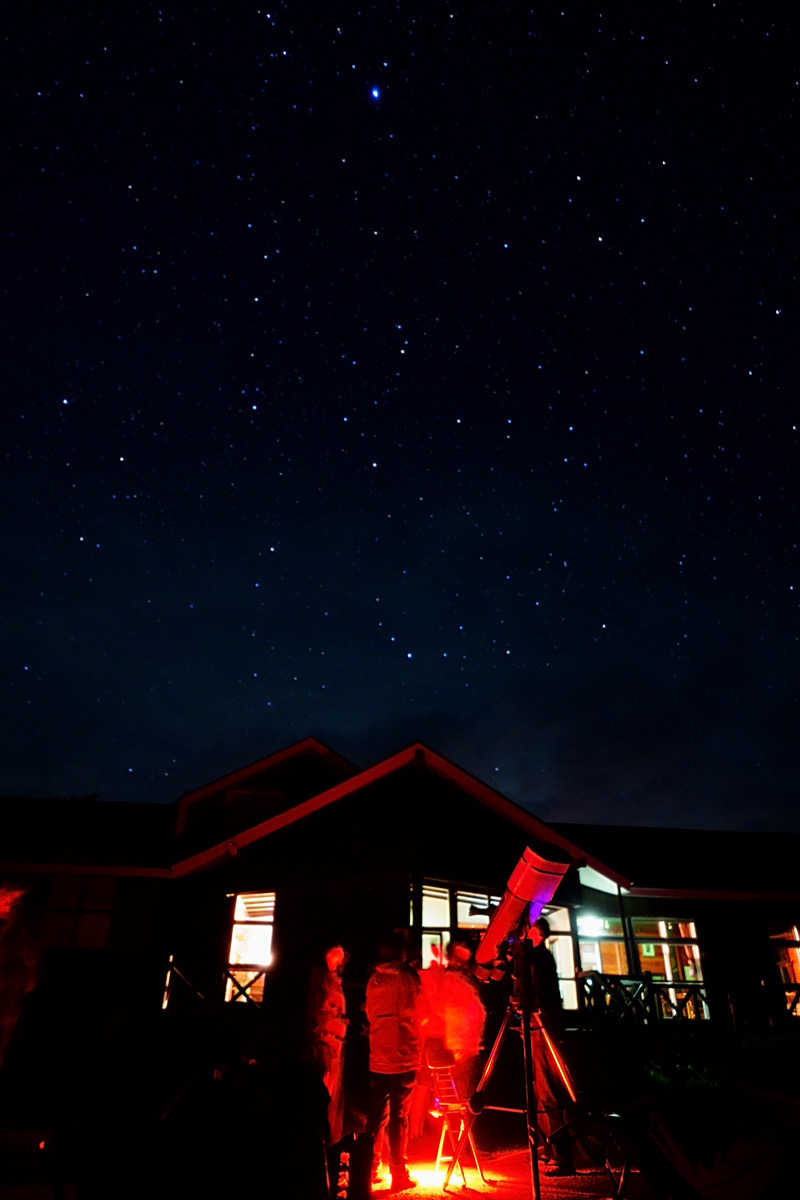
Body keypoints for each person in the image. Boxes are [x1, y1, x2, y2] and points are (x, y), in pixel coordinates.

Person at [363, 932, 424, 1193]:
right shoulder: (409, 978)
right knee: (400, 1117)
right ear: (401, 953)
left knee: (377, 1116)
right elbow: (419, 1009)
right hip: (403, 1057)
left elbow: (369, 1013)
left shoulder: (374, 979)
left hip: (378, 1056)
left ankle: (369, 1168)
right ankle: (399, 1172)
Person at [514, 915, 575, 1177]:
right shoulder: (541, 958)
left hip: (541, 1025)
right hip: (540, 1024)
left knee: (547, 1089)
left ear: (535, 935)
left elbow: (534, 990)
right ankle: (548, 1146)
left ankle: (559, 1152)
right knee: (540, 1089)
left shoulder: (538, 958)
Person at [308, 943, 349, 1147]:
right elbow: (320, 1013)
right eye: (335, 957)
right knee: (324, 1091)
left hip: (334, 1044)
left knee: (331, 1092)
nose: (339, 962)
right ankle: (322, 1139)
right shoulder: (321, 982)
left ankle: (329, 1138)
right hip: (326, 1043)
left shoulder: (334, 982)